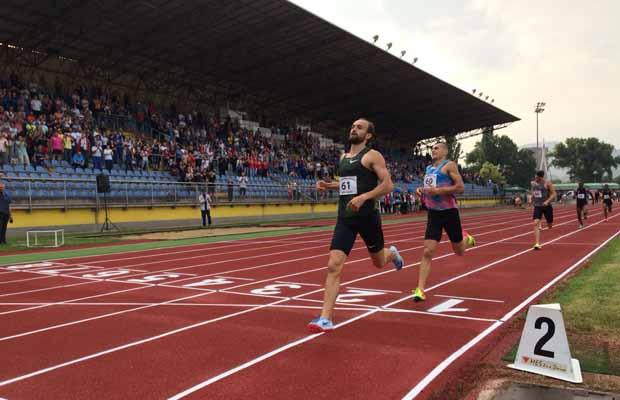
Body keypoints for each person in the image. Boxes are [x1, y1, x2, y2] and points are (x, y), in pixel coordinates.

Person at [307, 118, 404, 333]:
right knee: (334, 264)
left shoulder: (372, 155)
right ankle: (325, 318)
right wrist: (329, 185)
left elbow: (388, 185)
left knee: (379, 261)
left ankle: (393, 254)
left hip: (368, 217)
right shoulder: (343, 157)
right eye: (352, 126)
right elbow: (347, 184)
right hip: (346, 218)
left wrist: (364, 198)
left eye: (359, 127)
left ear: (368, 135)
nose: (354, 129)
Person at [412, 142, 476, 302]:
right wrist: (421, 190)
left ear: (445, 151)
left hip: (449, 213)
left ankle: (467, 239)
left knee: (459, 251)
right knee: (427, 251)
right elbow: (430, 188)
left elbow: (460, 187)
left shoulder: (450, 166)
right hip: (433, 214)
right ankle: (420, 289)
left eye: (436, 148)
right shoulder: (428, 169)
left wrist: (439, 191)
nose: (433, 150)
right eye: (432, 148)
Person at [530, 171, 556, 250]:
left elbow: (554, 194)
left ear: (540, 177)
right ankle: (537, 243)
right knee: (535, 223)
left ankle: (548, 223)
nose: (535, 179)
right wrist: (531, 199)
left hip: (547, 206)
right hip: (538, 206)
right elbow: (534, 193)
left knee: (550, 225)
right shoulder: (533, 184)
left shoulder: (547, 183)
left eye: (536, 177)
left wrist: (547, 201)